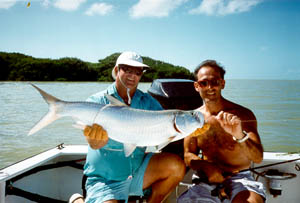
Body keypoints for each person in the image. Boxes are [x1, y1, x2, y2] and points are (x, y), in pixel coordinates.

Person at [70, 51, 186, 203]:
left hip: (137, 171)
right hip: (106, 180)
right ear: (117, 70)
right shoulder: (96, 101)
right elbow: (94, 143)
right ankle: (77, 200)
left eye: (137, 72)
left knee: (176, 166)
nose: (132, 76)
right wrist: (96, 140)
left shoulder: (148, 102)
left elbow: (163, 136)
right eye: (127, 70)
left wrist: (192, 131)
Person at [177, 60, 265, 203]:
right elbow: (188, 154)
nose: (210, 87)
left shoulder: (243, 115)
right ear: (196, 86)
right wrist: (206, 166)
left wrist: (239, 135)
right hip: (205, 180)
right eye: (203, 83)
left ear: (222, 84)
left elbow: (257, 158)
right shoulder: (193, 119)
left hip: (241, 179)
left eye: (215, 82)